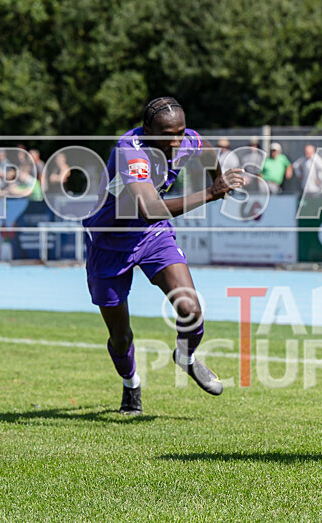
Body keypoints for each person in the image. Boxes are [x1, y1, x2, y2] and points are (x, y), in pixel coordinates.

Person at [82, 96, 245, 415]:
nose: (176, 140)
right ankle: (131, 385)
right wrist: (212, 192)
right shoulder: (131, 150)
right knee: (119, 335)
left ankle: (185, 356)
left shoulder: (187, 139)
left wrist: (218, 178)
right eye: (167, 134)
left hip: (151, 234)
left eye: (180, 132)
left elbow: (206, 148)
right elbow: (149, 208)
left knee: (190, 308)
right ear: (147, 130)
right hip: (109, 240)